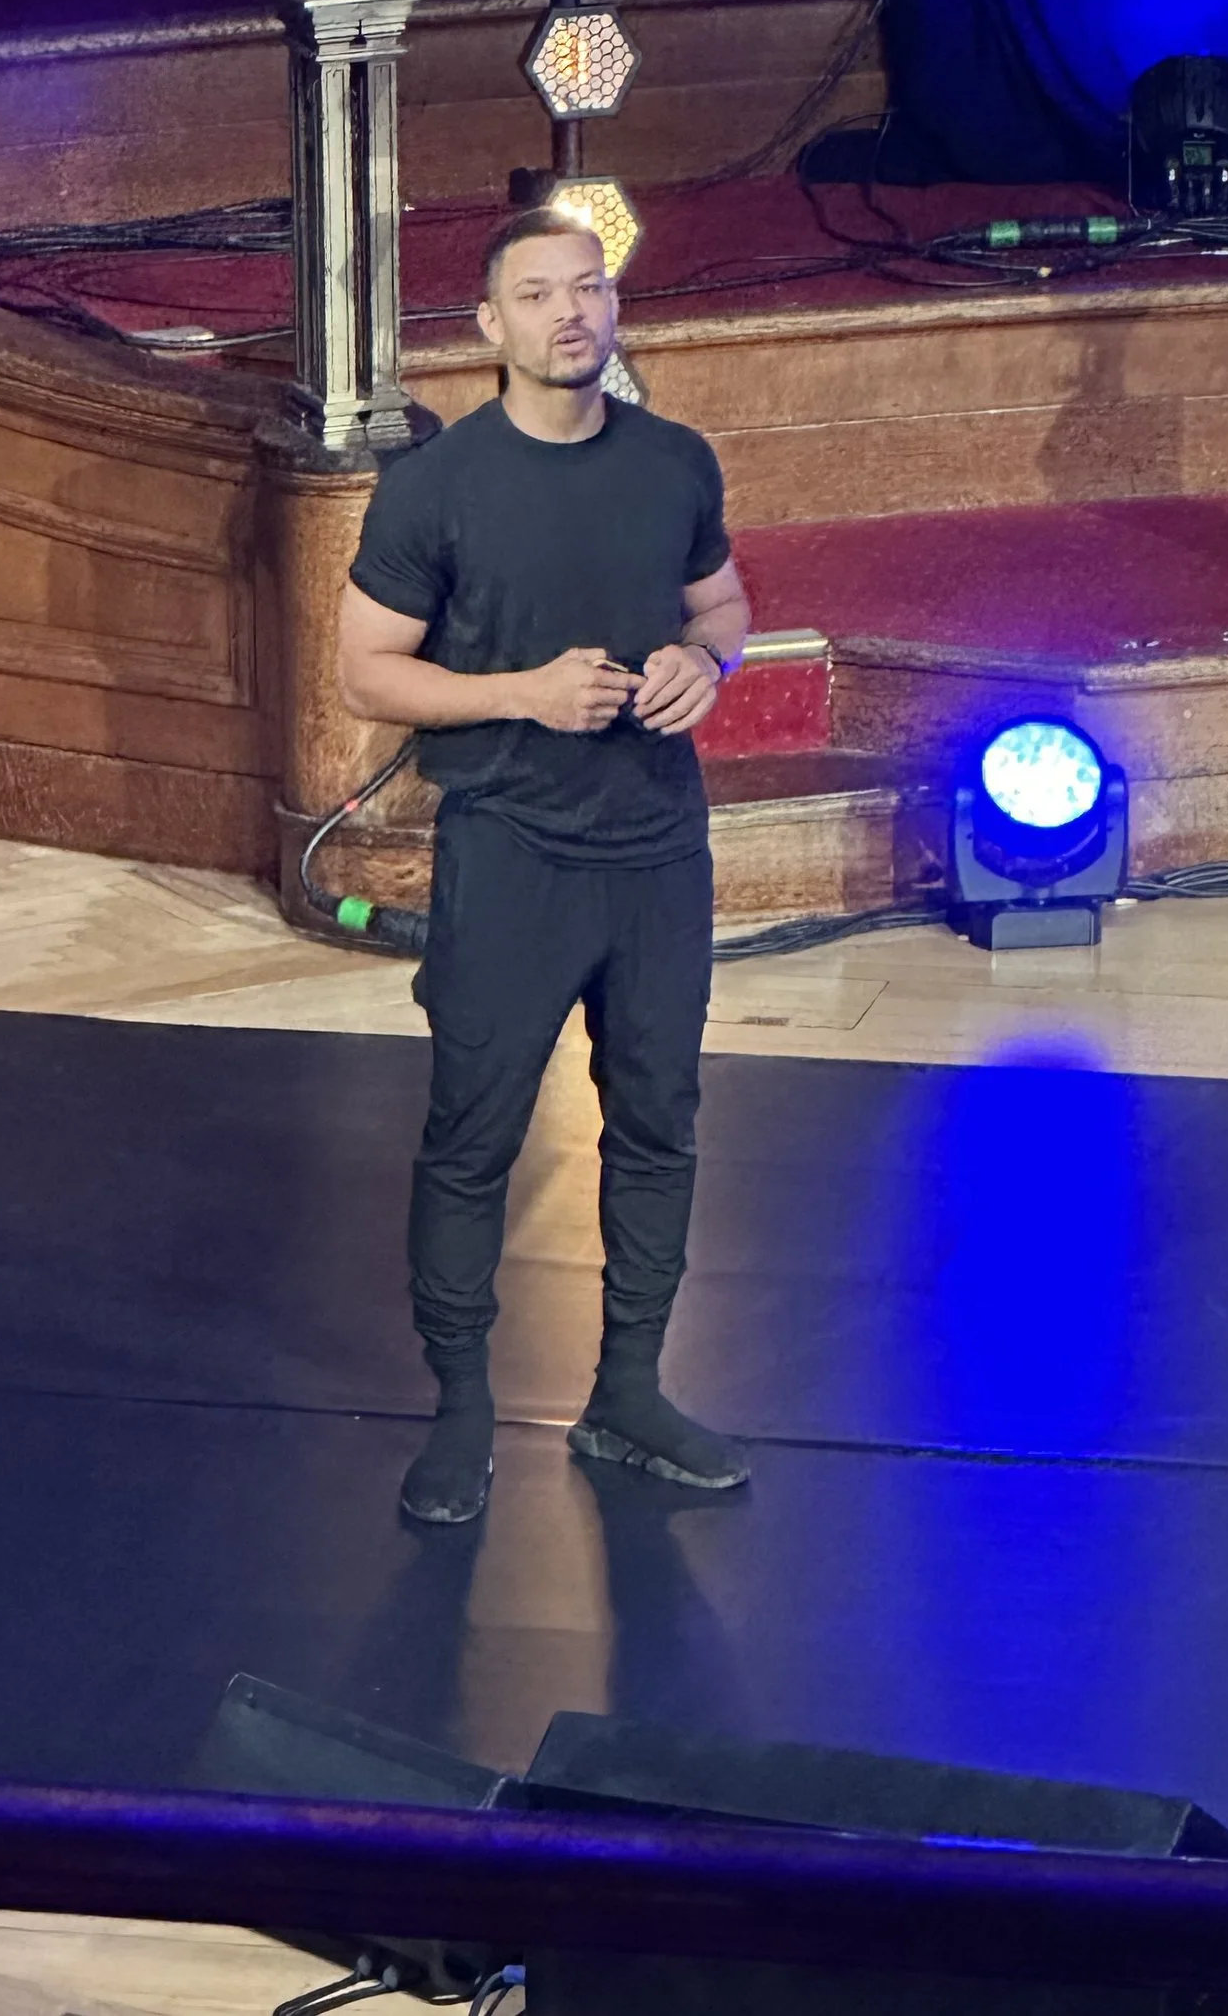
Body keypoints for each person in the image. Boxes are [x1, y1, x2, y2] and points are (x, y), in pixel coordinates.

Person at [336, 205, 754, 1526]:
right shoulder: (439, 486)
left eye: (589, 288)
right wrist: (524, 692)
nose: (571, 312)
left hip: (657, 851)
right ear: (490, 324)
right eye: (538, 294)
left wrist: (708, 661)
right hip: (511, 850)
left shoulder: (674, 462)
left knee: (661, 1123)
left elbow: (724, 605)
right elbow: (365, 671)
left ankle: (627, 1395)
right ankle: (462, 1413)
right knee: (474, 1136)